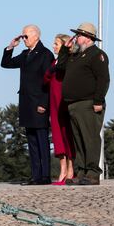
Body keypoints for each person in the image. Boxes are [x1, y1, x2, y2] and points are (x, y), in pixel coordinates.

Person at [0, 24, 54, 185]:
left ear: (36, 36)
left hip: (39, 104)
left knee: (42, 140)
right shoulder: (25, 54)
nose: (23, 39)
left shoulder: (45, 54)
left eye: (26, 36)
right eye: (22, 36)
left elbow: (49, 81)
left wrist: (44, 103)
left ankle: (45, 176)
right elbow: (6, 63)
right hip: (26, 103)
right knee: (31, 141)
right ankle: (35, 175)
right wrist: (11, 47)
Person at [60, 22, 109, 186]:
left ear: (88, 38)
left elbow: (103, 79)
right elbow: (60, 67)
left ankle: (92, 173)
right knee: (79, 140)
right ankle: (81, 172)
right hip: (73, 104)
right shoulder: (75, 56)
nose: (76, 38)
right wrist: (64, 50)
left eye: (78, 35)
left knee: (90, 138)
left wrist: (98, 100)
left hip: (88, 103)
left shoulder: (97, 55)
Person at [44, 34, 75, 185]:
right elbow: (45, 78)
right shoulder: (54, 62)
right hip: (54, 103)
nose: (53, 46)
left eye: (56, 44)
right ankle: (62, 169)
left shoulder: (68, 60)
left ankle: (70, 169)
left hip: (64, 102)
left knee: (67, 135)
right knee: (57, 136)